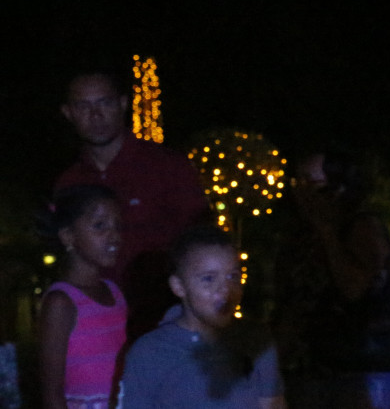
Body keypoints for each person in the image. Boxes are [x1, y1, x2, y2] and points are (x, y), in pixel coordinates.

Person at [55, 67, 212, 338]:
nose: (95, 115)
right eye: (83, 106)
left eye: (104, 103)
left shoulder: (168, 168)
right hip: (96, 323)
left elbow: (202, 243)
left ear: (122, 104)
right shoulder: (69, 183)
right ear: (68, 113)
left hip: (163, 322)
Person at [280, 152, 390, 409]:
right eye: (297, 182)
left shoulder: (360, 226)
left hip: (362, 365)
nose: (301, 191)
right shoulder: (303, 232)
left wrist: (327, 232)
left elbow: (356, 288)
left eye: (312, 182)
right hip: (316, 363)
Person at [117, 225, 286, 409]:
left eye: (233, 276)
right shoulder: (150, 353)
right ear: (179, 286)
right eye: (208, 279)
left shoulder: (256, 341)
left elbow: (272, 403)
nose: (225, 289)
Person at [38, 185, 127, 409]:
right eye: (100, 225)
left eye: (118, 226)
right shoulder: (61, 302)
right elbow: (52, 394)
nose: (114, 236)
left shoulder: (114, 292)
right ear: (68, 236)